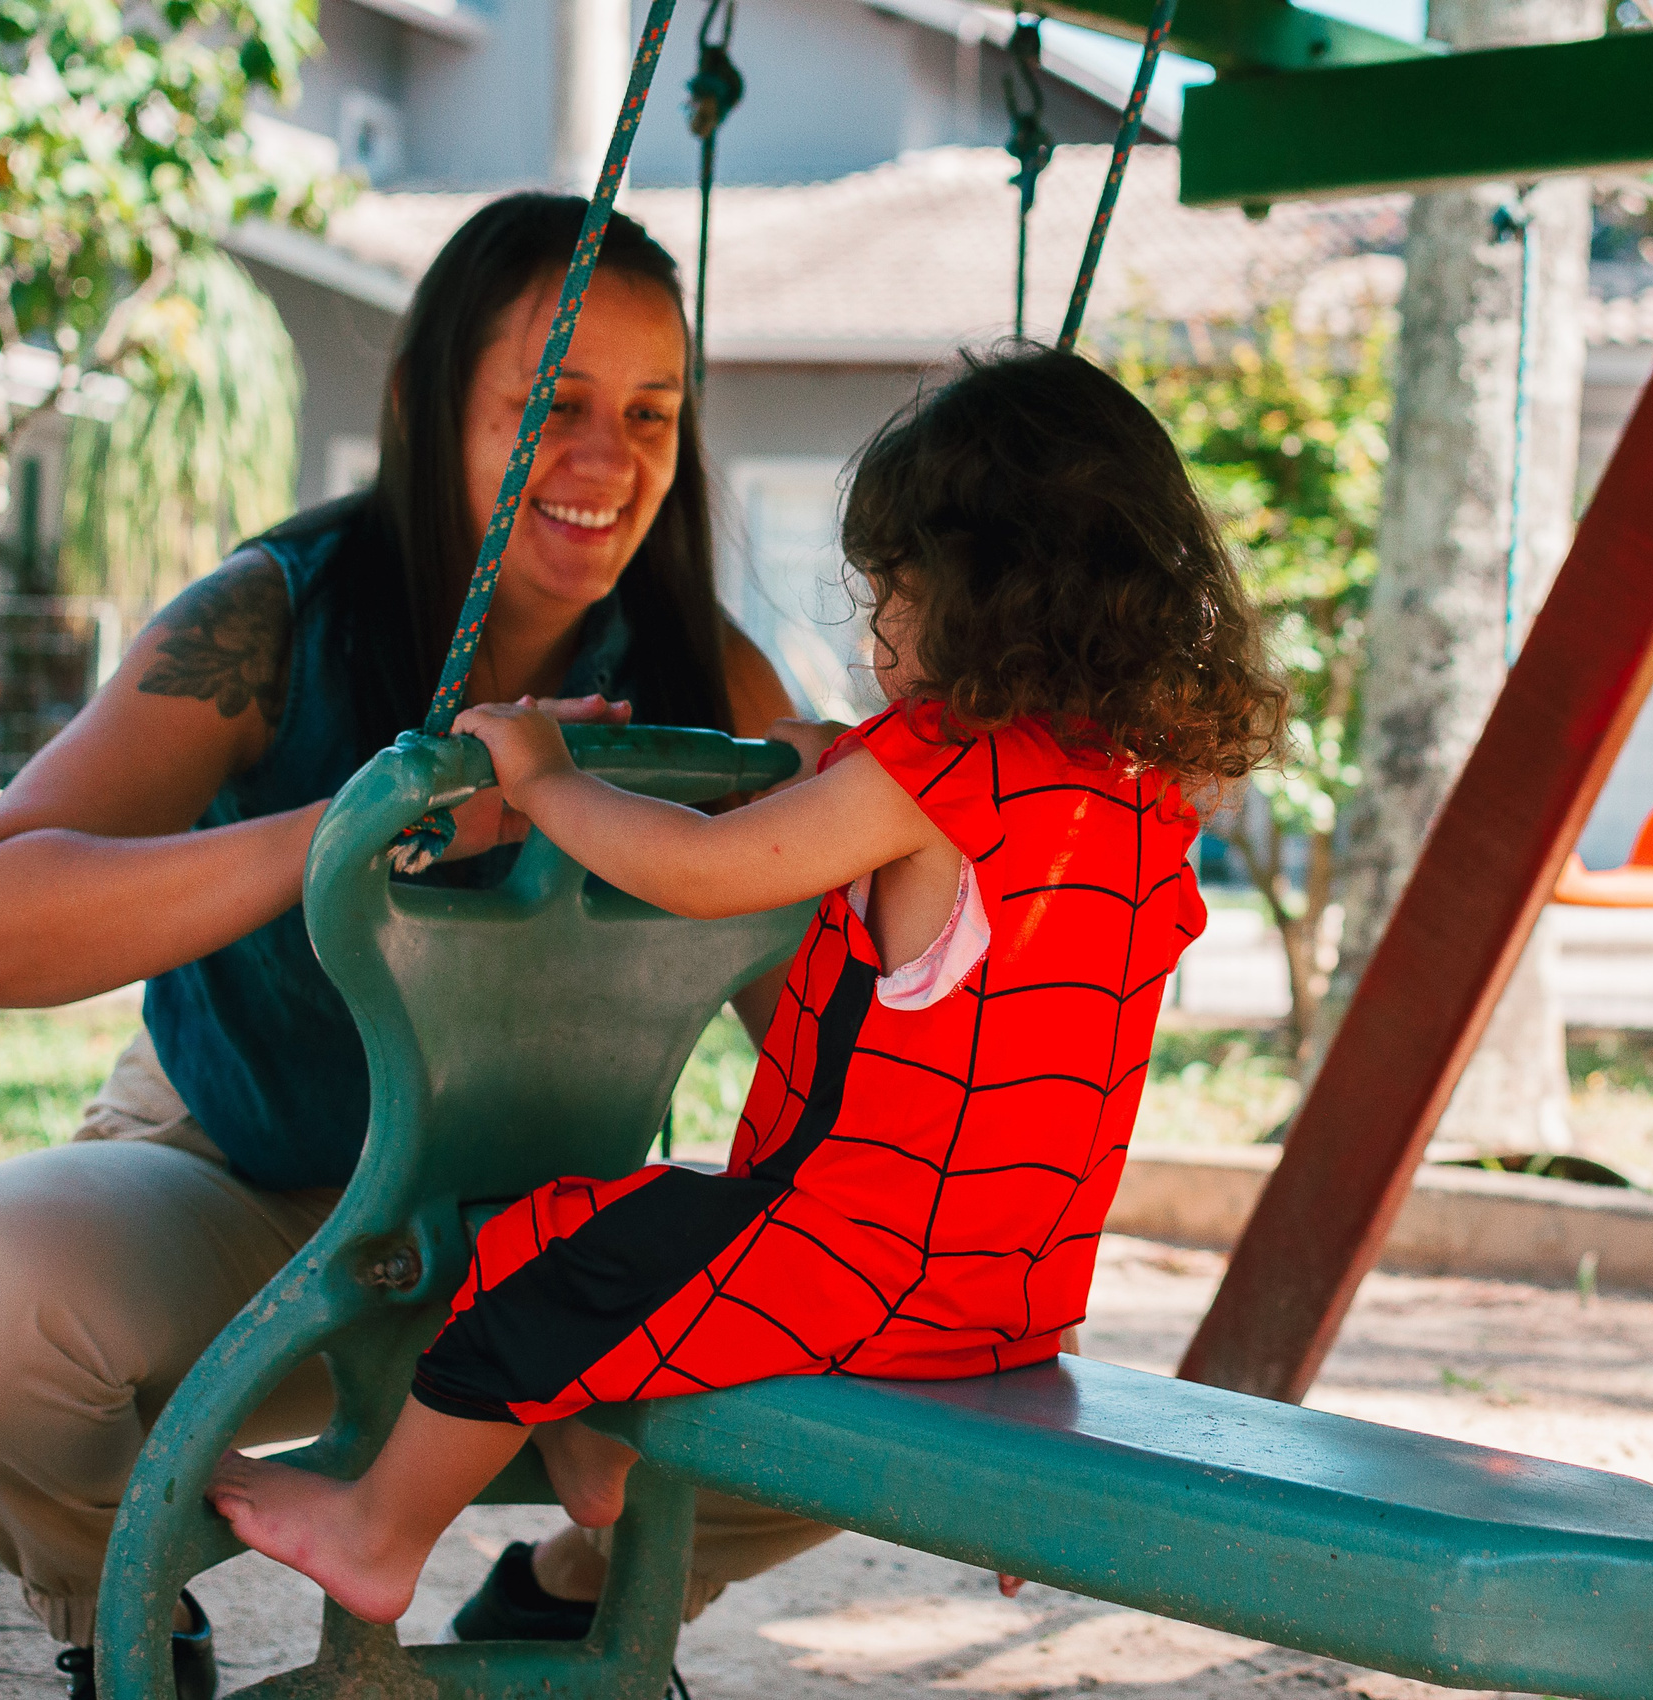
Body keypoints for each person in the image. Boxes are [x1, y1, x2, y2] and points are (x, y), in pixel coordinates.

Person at [203, 344, 1288, 1627]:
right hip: (1010, 1296)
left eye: (889, 588)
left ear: (975, 594)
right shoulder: (1132, 792)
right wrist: (820, 759)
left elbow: (705, 870)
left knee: (545, 1249)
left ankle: (378, 1526)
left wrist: (549, 778)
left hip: (861, 1265)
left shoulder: (935, 770)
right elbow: (930, 854)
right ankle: (593, 1446)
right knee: (632, 1236)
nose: (875, 622)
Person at [0, 195, 842, 1698]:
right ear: (423, 409)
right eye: (552, 402)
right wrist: (367, 828)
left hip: (544, 1250)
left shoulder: (699, 677)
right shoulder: (279, 618)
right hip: (233, 1189)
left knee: (903, 1374)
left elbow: (808, 1026)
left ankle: (568, 1594)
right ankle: (130, 1603)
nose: (608, 459)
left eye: (651, 411)